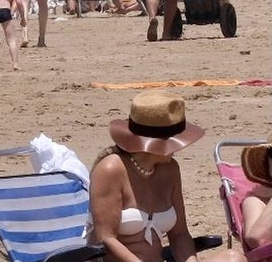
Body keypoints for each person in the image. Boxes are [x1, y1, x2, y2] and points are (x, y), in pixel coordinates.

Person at [88, 90, 244, 262]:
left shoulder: (170, 170)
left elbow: (179, 234)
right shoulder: (111, 169)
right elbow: (106, 238)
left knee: (233, 258)